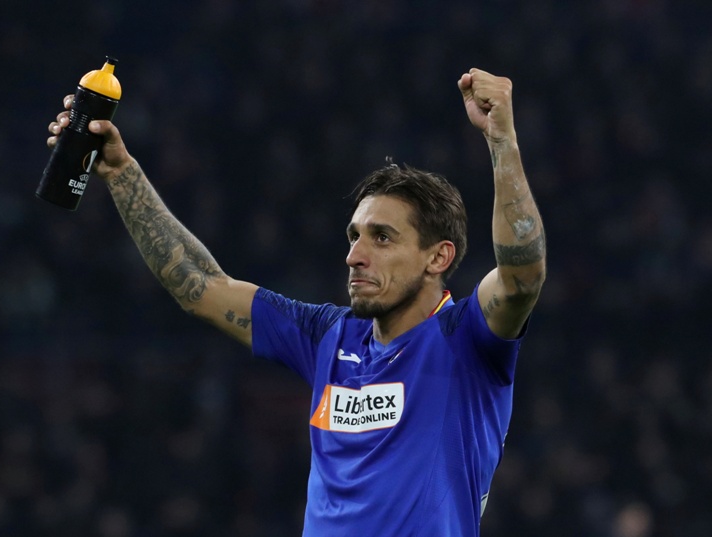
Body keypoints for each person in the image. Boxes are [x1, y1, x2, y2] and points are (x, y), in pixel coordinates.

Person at [46, 67, 546, 536]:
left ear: (438, 258)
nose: (354, 255)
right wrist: (120, 172)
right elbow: (200, 285)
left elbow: (522, 276)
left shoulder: (468, 340)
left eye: (382, 238)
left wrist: (500, 139)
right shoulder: (328, 335)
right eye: (354, 236)